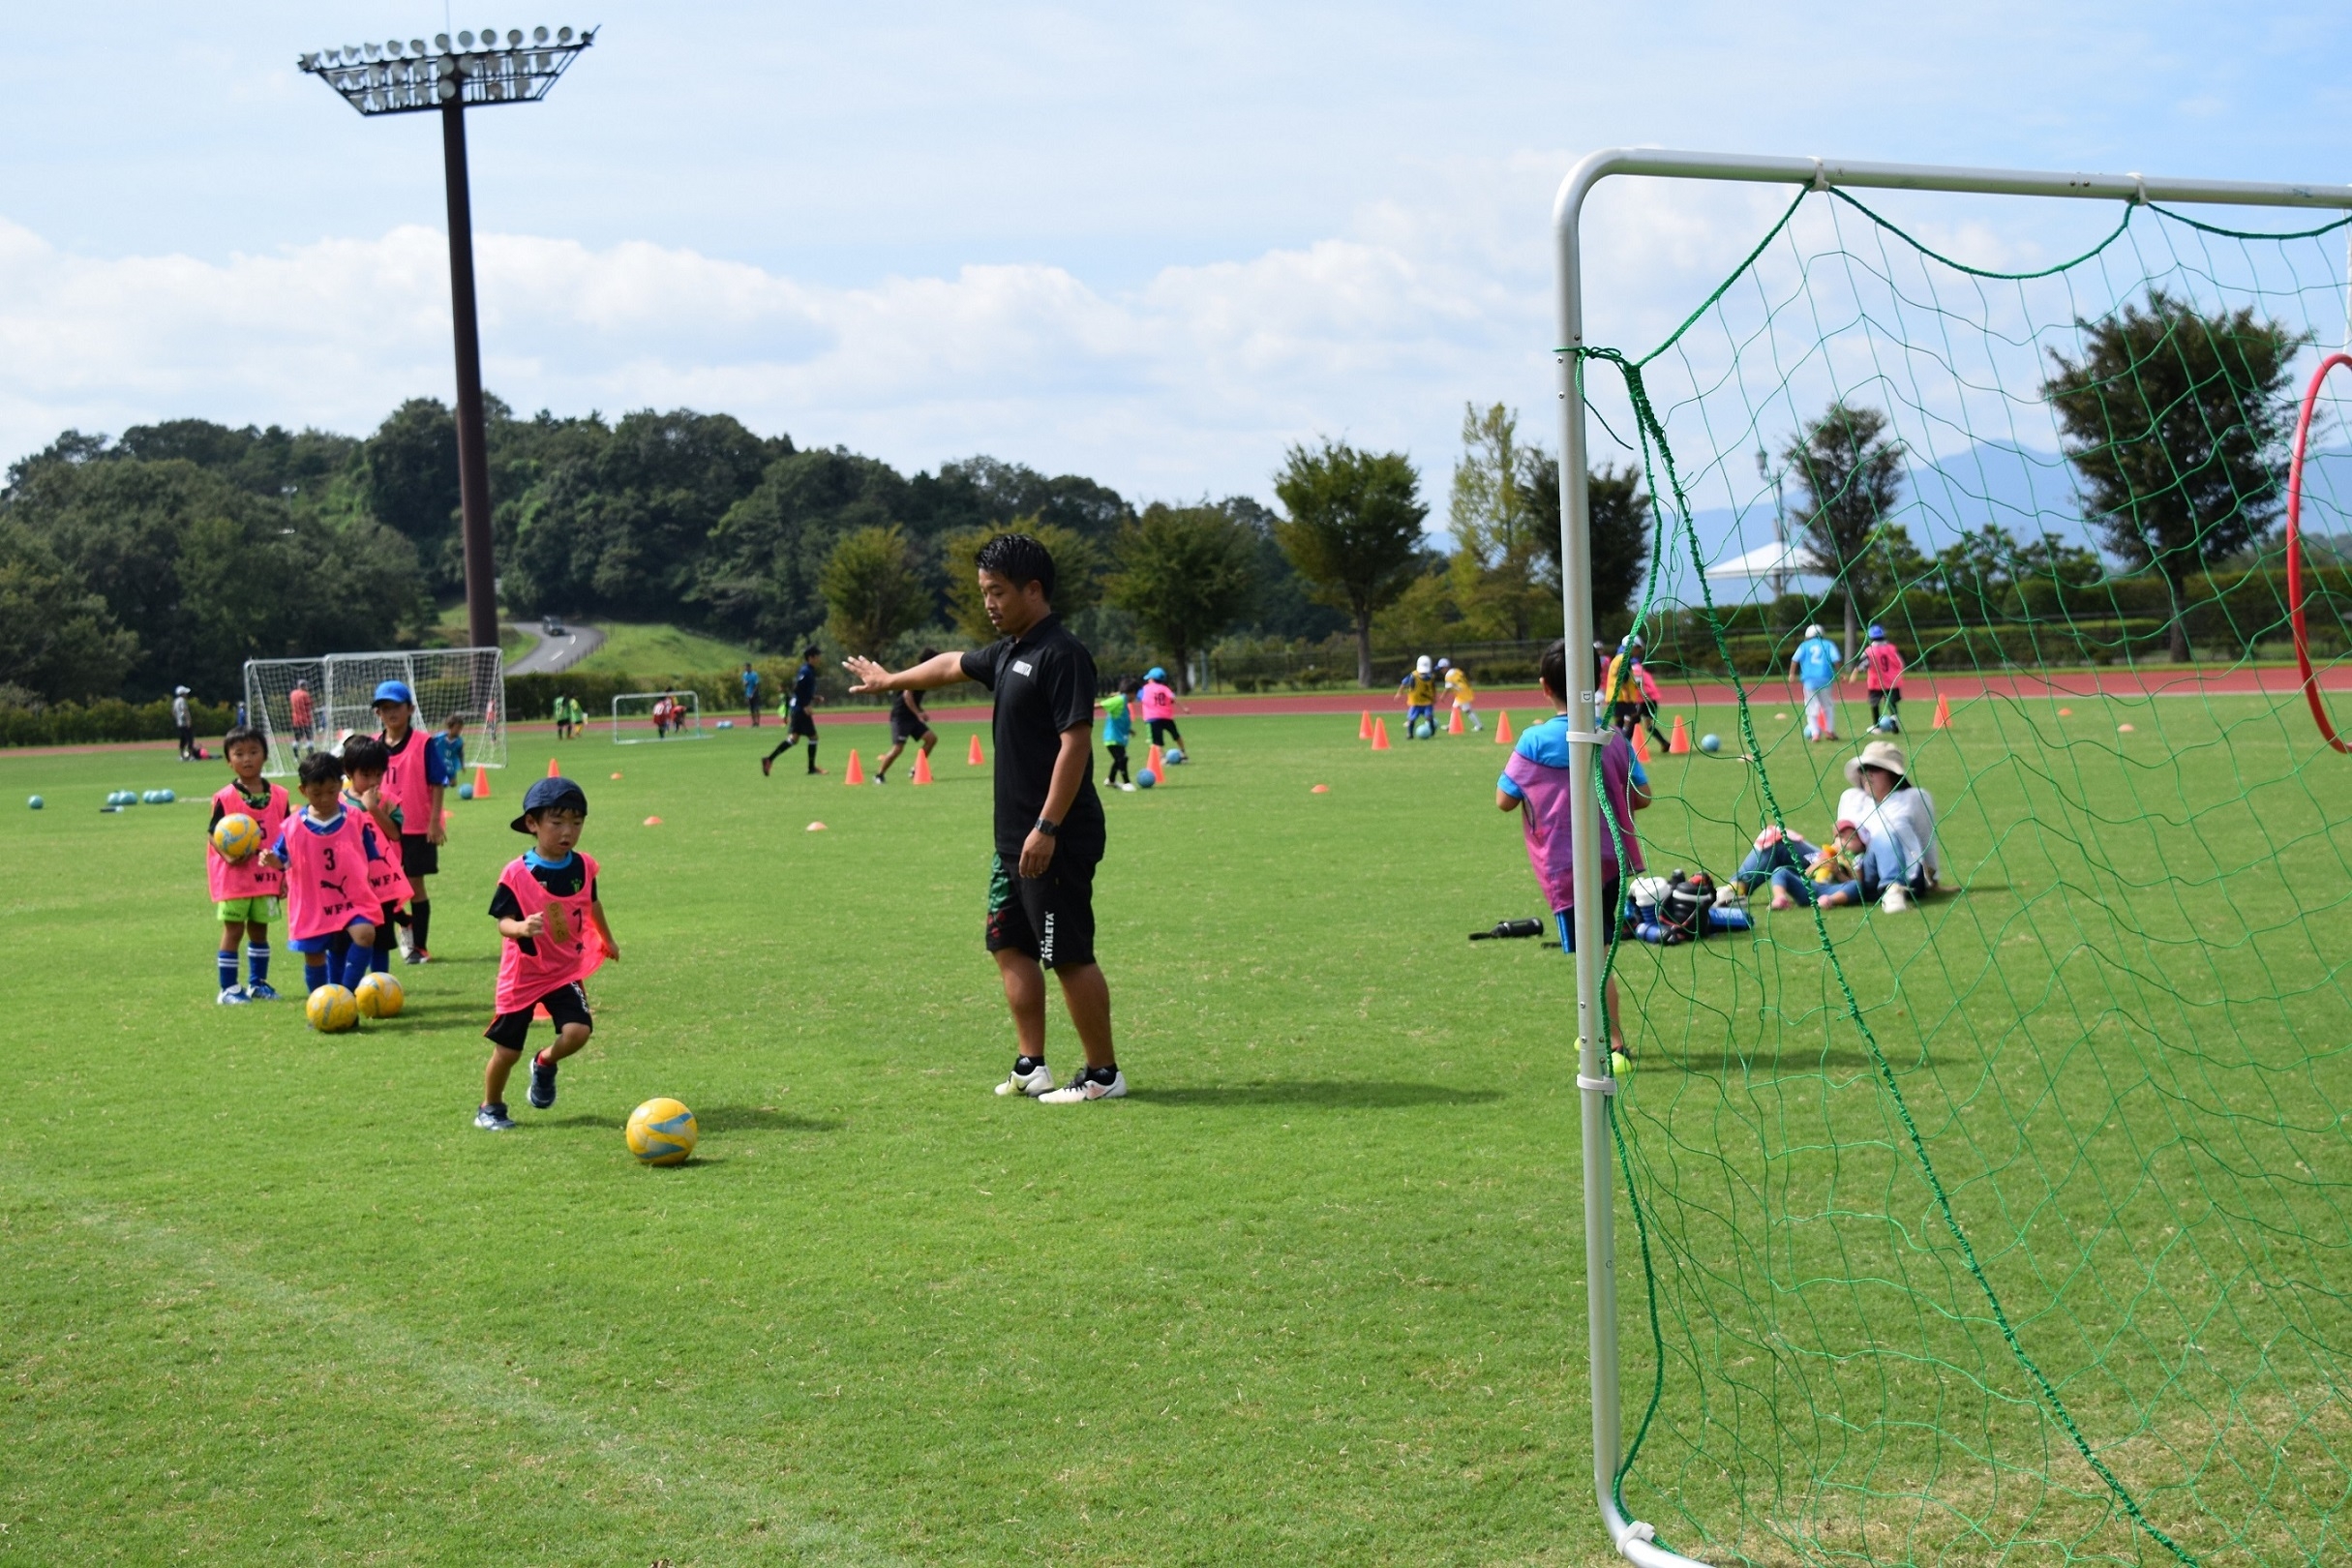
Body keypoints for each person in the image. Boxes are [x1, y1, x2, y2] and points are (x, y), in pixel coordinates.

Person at [843, 531, 1123, 1103]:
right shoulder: (1009, 652)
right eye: (984, 592)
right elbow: (951, 663)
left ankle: (1102, 1075)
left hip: (1054, 837)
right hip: (1013, 841)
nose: (989, 603)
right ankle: (1032, 1064)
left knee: (1066, 952)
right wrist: (891, 680)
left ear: (1033, 589)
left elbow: (1075, 745)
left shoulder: (1060, 654)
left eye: (997, 591)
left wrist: (1047, 827)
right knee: (1008, 943)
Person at [1497, 639, 1651, 1059]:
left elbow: (1504, 799)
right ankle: (1594, 1030)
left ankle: (1612, 1041)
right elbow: (1642, 797)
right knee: (1595, 950)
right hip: (1611, 859)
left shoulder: (1533, 740)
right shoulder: (1614, 738)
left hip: (1565, 864)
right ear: (1599, 680)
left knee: (1593, 956)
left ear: (1544, 686)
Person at [477, 775, 620, 1131]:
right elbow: (503, 922)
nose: (567, 831)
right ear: (532, 824)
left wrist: (607, 939)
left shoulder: (583, 866)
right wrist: (521, 928)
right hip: (522, 975)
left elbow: (592, 903)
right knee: (508, 1051)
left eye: (576, 822)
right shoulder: (516, 873)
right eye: (557, 822)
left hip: (563, 970)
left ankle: (544, 1062)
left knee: (578, 1031)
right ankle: (490, 1107)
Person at [258, 750, 389, 1000]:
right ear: (303, 790)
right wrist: (272, 860)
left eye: (331, 791)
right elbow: (281, 858)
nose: (325, 798)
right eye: (317, 793)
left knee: (365, 934)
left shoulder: (355, 818)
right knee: (315, 955)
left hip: (351, 898)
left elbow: (370, 855)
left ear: (340, 785)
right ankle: (320, 1004)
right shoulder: (292, 826)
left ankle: (346, 995)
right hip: (312, 903)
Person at [207, 724, 288, 1005]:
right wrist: (228, 856)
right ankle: (228, 988)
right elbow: (213, 833)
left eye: (253, 752)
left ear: (265, 755)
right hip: (236, 878)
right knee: (234, 930)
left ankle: (258, 984)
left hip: (266, 876)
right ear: (229, 761)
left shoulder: (280, 795)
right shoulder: (225, 797)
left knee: (259, 929)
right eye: (239, 753)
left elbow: (287, 835)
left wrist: (285, 873)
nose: (247, 758)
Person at [373, 679, 451, 965]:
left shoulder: (423, 743)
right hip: (382, 829)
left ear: (410, 709)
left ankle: (419, 947)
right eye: (385, 708)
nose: (391, 712)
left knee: (414, 884)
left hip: (417, 827)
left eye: (396, 706)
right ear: (378, 713)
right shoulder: (372, 745)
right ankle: (404, 921)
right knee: (380, 886)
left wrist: (435, 822)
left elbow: (438, 782)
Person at [338, 736, 413, 976]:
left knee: (381, 939)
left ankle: (381, 985)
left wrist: (373, 808)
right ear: (349, 772)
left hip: (382, 884)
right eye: (366, 775)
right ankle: (346, 984)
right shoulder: (338, 802)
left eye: (378, 775)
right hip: (349, 885)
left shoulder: (388, 801)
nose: (373, 781)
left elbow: (395, 833)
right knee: (347, 937)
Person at [1835, 739, 1940, 909]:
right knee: (1788, 842)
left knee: (1885, 835)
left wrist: (1933, 880)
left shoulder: (1913, 797)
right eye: (1864, 769)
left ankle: (1893, 890)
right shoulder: (1851, 798)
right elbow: (1841, 841)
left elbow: (1926, 838)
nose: (1868, 774)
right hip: (1862, 876)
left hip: (1908, 877)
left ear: (1892, 773)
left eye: (1875, 769)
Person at [874, 650, 939, 784]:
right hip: (901, 717)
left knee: (931, 739)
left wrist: (920, 711)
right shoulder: (916, 674)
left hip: (912, 716)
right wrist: (918, 713)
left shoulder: (927, 675)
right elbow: (907, 695)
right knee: (898, 748)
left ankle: (916, 770)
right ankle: (879, 775)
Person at [761, 648, 828, 776]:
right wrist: (805, 705)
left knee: (794, 739)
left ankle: (769, 760)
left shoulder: (809, 670)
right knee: (813, 737)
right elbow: (797, 689)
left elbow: (804, 690)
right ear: (811, 657)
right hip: (800, 709)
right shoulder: (806, 671)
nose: (819, 659)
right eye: (817, 656)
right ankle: (811, 768)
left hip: (798, 708)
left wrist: (814, 697)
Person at [1791, 623, 1843, 742]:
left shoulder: (1804, 646)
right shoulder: (1828, 644)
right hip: (1825, 679)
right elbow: (1836, 659)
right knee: (1828, 706)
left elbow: (1794, 660)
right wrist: (1839, 672)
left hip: (1808, 680)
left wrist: (1791, 674)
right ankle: (1829, 731)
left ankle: (1815, 734)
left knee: (1811, 707)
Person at [1859, 623, 1907, 734]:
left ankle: (1876, 726)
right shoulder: (1892, 648)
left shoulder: (1869, 650)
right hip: (1892, 681)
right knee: (1892, 703)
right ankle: (1894, 722)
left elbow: (1862, 666)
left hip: (1876, 682)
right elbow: (1901, 663)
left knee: (1874, 703)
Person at [1100, 676, 1139, 790]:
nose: (1136, 697)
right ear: (1132, 692)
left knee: (1119, 759)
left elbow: (1120, 719)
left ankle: (1111, 780)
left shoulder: (1124, 702)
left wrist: (1130, 730)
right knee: (1122, 758)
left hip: (1119, 737)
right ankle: (1127, 783)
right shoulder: (1119, 700)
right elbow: (1101, 705)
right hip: (1112, 737)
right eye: (1136, 694)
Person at [1138, 666, 1185, 755]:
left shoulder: (1145, 688)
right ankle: (1183, 752)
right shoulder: (1165, 688)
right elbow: (1173, 698)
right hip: (1166, 717)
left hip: (1152, 718)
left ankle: (1162, 757)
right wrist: (1184, 708)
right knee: (1176, 735)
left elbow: (1140, 697)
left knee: (1156, 741)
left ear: (1152, 679)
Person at [1399, 655, 1439, 739]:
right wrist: (1399, 693)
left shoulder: (1431, 677)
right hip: (1415, 703)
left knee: (1429, 717)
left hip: (1427, 702)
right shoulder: (1413, 676)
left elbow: (1433, 688)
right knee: (1411, 719)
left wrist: (1434, 697)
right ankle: (1410, 734)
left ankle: (1432, 731)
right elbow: (1404, 683)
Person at [1442, 659, 1482, 733]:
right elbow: (1463, 676)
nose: (1441, 671)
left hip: (1461, 693)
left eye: (1441, 668)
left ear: (1445, 667)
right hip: (1464, 690)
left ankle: (1479, 726)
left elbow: (1448, 687)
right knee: (1454, 708)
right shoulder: (1456, 671)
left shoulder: (1448, 675)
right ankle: (1451, 725)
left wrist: (1442, 696)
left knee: (1467, 710)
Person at [428, 713, 467, 785]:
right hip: (439, 765)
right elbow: (429, 745)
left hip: (450, 765)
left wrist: (462, 765)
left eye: (461, 728)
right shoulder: (439, 738)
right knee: (439, 782)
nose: (459, 730)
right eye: (457, 728)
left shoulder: (459, 741)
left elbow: (460, 753)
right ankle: (438, 782)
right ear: (450, 727)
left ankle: (441, 782)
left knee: (453, 783)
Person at [288, 680, 316, 758]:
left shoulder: (293, 694)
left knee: (297, 739)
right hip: (306, 720)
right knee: (309, 738)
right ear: (303, 686)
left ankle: (296, 756)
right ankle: (311, 756)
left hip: (296, 720)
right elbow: (311, 706)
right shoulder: (305, 694)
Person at [172, 685, 196, 761]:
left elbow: (174, 712)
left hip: (179, 723)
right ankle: (191, 756)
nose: (187, 694)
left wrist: (177, 719)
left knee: (182, 739)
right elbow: (185, 710)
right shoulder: (182, 701)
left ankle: (181, 756)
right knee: (190, 739)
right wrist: (188, 720)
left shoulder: (176, 701)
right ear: (182, 694)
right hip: (185, 723)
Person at [741, 662, 764, 727]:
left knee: (756, 709)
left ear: (749, 667)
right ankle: (754, 722)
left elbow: (756, 685)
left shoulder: (754, 674)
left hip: (755, 694)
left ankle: (758, 722)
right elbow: (744, 683)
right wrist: (745, 683)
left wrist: (753, 693)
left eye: (746, 667)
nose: (745, 668)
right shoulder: (745, 675)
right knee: (751, 709)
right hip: (748, 693)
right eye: (745, 667)